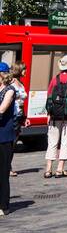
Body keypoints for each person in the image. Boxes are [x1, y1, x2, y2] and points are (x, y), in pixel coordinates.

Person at [0, 65, 16, 215]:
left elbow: (2, 109)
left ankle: (3, 206)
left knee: (3, 172)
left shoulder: (9, 90)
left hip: (4, 135)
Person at [8, 63, 27, 175]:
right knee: (10, 143)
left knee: (13, 143)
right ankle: (7, 167)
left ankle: (8, 166)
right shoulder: (11, 83)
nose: (25, 71)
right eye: (24, 69)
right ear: (19, 70)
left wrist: (24, 117)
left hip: (19, 116)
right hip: (12, 116)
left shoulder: (21, 83)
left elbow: (22, 103)